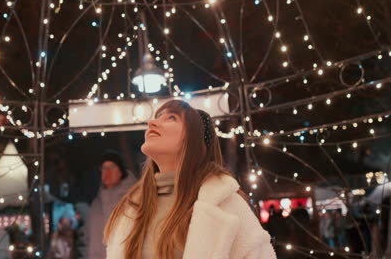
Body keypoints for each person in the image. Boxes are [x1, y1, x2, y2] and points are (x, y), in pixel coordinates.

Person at [103, 100, 276, 258]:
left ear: (194, 139)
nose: (152, 123)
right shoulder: (131, 208)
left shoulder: (226, 206)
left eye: (171, 117)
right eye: (157, 117)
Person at [84, 150, 137, 259]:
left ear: (121, 171)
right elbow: (88, 239)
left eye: (111, 167)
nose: (106, 172)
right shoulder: (96, 205)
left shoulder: (134, 200)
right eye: (103, 168)